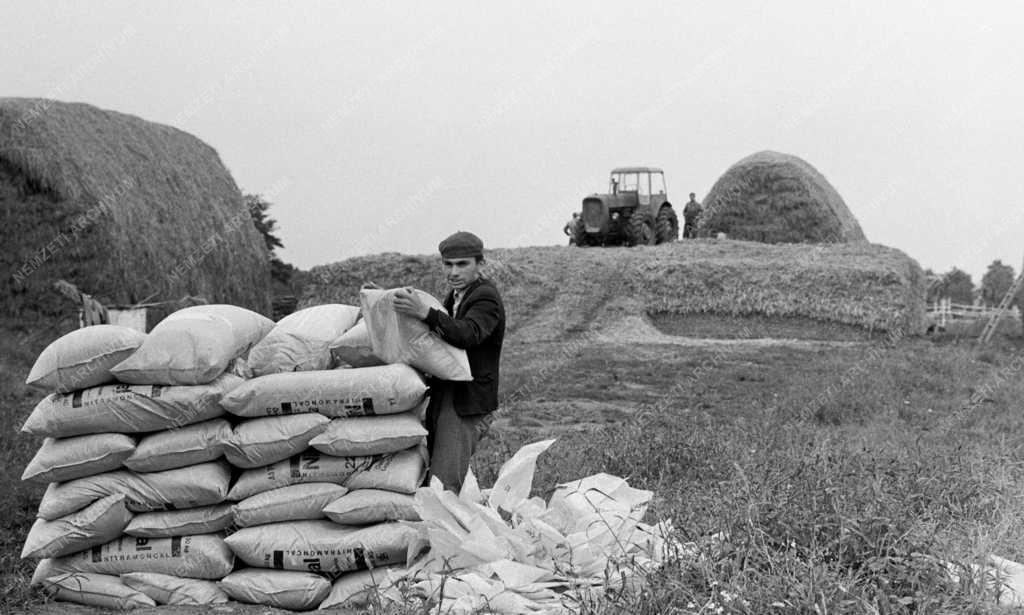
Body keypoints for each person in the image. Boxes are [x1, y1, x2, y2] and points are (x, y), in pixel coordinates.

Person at [391, 231, 506, 493]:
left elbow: (469, 334)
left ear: (480, 264)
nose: (453, 272)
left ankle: (442, 530)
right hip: (448, 395)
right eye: (448, 264)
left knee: (444, 484)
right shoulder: (456, 296)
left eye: (462, 264)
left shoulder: (485, 297)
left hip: (467, 402)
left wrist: (425, 312)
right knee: (435, 473)